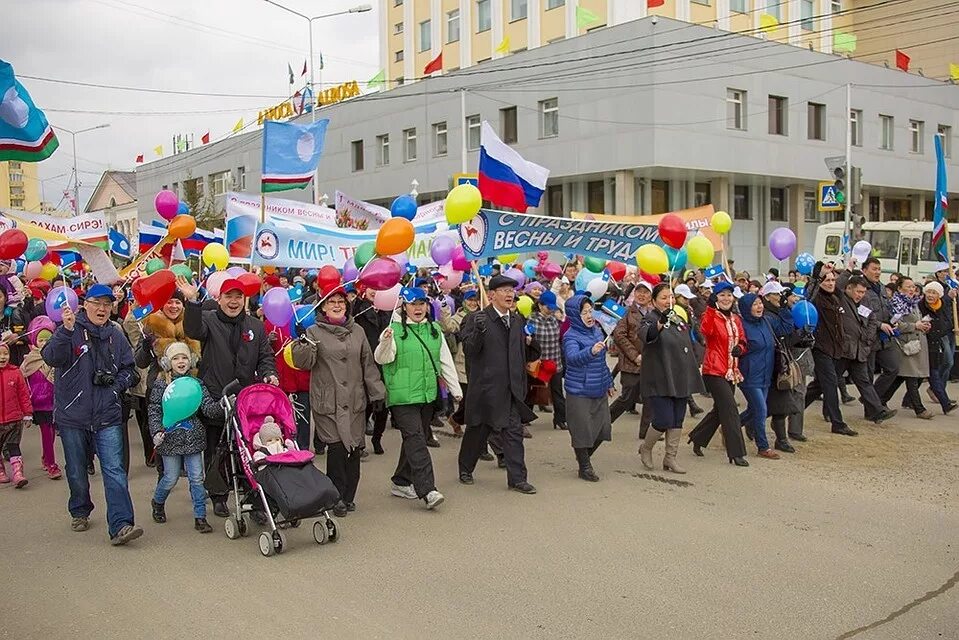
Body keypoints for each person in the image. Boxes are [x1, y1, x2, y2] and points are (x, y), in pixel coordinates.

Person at [41, 284, 142, 545]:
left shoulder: (116, 335)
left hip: (107, 414)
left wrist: (116, 385)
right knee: (76, 470)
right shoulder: (70, 327)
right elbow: (50, 357)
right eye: (97, 303)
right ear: (85, 303)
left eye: (107, 304)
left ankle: (121, 524)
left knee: (114, 470)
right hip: (72, 415)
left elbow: (131, 371)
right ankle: (80, 509)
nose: (102, 309)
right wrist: (65, 330)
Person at [179, 276, 278, 518]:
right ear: (219, 299)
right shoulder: (208, 320)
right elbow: (192, 329)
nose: (233, 302)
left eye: (238, 297)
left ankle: (253, 496)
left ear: (244, 300)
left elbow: (265, 356)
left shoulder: (255, 325)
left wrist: (269, 374)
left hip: (246, 399)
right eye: (228, 296)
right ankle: (219, 496)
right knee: (218, 450)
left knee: (248, 448)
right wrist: (192, 302)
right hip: (216, 396)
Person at [291, 288, 386, 517]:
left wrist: (377, 392)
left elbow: (368, 365)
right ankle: (336, 497)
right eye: (331, 301)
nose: (336, 305)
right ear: (322, 306)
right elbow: (303, 363)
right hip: (328, 402)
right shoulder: (313, 331)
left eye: (340, 302)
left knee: (353, 448)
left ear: (347, 305)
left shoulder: (358, 331)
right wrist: (302, 341)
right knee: (336, 448)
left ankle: (349, 496)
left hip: (354, 400)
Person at [375, 287, 461, 510]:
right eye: (413, 304)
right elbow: (383, 358)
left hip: (426, 394)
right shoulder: (393, 330)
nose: (418, 308)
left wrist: (455, 390)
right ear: (404, 307)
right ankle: (428, 489)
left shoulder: (434, 329)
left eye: (422, 304)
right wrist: (385, 341)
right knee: (415, 439)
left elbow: (444, 361)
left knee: (416, 439)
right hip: (402, 397)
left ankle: (401, 481)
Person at [457, 274, 540, 494]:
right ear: (491, 295)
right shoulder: (477, 319)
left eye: (511, 290)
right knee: (478, 431)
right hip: (486, 388)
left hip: (511, 389)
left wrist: (533, 343)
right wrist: (479, 331)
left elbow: (523, 353)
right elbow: (469, 350)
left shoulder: (517, 320)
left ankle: (518, 478)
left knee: (513, 433)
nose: (509, 294)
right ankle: (465, 467)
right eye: (504, 290)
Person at [148, 342, 222, 534]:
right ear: (167, 362)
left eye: (184, 358)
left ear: (191, 361)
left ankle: (200, 517)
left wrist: (222, 405)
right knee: (170, 477)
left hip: (193, 437)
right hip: (169, 438)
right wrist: (156, 431)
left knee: (197, 478)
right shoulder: (161, 384)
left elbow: (207, 407)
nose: (180, 362)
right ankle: (158, 501)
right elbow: (155, 410)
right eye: (175, 358)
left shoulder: (196, 384)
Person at [806, 273, 895, 431]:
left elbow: (872, 319)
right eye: (858, 291)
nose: (860, 295)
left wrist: (867, 340)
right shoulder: (839, 298)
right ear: (848, 289)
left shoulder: (862, 304)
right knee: (824, 384)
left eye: (863, 292)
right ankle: (801, 408)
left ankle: (877, 411)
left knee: (863, 381)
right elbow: (834, 285)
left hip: (858, 351)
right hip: (841, 351)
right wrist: (847, 270)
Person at [638, 284, 705, 473]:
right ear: (654, 301)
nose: (669, 301)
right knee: (663, 419)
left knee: (677, 419)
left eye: (671, 297)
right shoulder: (649, 318)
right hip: (659, 377)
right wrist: (660, 323)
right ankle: (646, 448)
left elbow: (687, 342)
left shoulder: (677, 317)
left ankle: (670, 458)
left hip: (680, 375)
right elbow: (647, 335)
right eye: (663, 298)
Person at [133, 292, 200, 469]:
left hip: (187, 388)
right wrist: (146, 348)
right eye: (169, 302)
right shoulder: (151, 324)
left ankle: (185, 462)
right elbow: (140, 361)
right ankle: (160, 463)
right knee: (157, 426)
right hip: (159, 386)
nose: (173, 306)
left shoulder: (192, 323)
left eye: (177, 302)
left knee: (186, 426)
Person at [686, 281, 749, 467]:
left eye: (729, 295)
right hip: (714, 370)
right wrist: (712, 308)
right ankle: (736, 453)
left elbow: (743, 339)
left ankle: (697, 437)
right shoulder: (710, 316)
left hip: (731, 370)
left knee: (719, 410)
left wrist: (741, 347)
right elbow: (706, 331)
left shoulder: (736, 319)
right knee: (730, 409)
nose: (726, 298)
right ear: (716, 298)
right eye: (722, 295)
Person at [561, 294, 613, 481]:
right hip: (579, 389)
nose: (589, 315)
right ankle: (585, 466)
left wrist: (609, 381)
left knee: (603, 429)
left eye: (590, 311)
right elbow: (572, 359)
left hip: (598, 386)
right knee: (582, 430)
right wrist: (590, 351)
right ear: (575, 315)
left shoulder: (597, 331)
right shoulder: (570, 336)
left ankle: (583, 457)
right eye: (584, 312)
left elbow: (602, 362)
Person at [736, 292, 790, 460]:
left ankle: (732, 425)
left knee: (754, 410)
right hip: (749, 375)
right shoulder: (741, 325)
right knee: (761, 409)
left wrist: (783, 308)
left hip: (766, 375)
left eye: (760, 303)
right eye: (754, 304)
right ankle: (763, 446)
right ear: (746, 308)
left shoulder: (766, 321)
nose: (759, 307)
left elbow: (786, 328)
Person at [878, 277, 934, 419]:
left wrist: (923, 324)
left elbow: (916, 320)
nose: (911, 289)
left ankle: (879, 399)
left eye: (913, 286)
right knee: (911, 378)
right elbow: (896, 324)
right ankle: (919, 409)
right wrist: (915, 326)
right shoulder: (896, 303)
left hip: (915, 344)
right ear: (899, 288)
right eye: (908, 286)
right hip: (904, 345)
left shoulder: (913, 302)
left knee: (901, 377)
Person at [765, 283, 813, 446]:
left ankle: (786, 436)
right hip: (776, 363)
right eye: (777, 294)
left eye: (784, 295)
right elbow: (783, 335)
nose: (782, 298)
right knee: (772, 402)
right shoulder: (770, 316)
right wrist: (799, 333)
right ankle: (746, 424)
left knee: (786, 399)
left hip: (785, 362)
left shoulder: (783, 312)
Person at [353, 286, 394, 454]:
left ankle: (377, 438)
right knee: (365, 406)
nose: (375, 292)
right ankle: (360, 443)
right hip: (365, 362)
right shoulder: (358, 307)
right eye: (371, 288)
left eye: (378, 288)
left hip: (384, 362)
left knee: (383, 406)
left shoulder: (387, 309)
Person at [855, 258, 900, 405]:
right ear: (865, 270)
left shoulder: (881, 287)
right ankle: (872, 408)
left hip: (884, 338)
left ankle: (870, 399)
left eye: (879, 269)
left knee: (892, 368)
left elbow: (885, 308)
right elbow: (860, 311)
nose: (878, 272)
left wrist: (893, 321)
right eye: (874, 269)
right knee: (867, 375)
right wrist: (879, 324)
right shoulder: (860, 287)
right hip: (868, 337)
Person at [20, 316, 61, 479]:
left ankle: (46, 457)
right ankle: (51, 464)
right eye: (41, 339)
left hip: (55, 401)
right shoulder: (29, 360)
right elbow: (21, 380)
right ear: (35, 340)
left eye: (48, 339)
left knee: (51, 433)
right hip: (38, 403)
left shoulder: (56, 357)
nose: (44, 342)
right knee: (46, 431)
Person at [609, 282, 652, 432]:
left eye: (646, 292)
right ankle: (604, 421)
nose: (642, 295)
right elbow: (619, 335)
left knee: (650, 399)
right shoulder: (627, 312)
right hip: (631, 363)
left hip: (650, 363)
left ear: (650, 296)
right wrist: (635, 356)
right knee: (627, 399)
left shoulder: (653, 313)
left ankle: (645, 431)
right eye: (639, 291)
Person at [526, 290, 567, 430]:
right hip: (538, 363)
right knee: (532, 391)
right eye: (548, 307)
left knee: (557, 392)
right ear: (540, 306)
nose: (550, 310)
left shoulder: (555, 319)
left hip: (554, 362)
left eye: (552, 307)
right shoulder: (531, 320)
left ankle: (560, 419)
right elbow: (526, 338)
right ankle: (525, 417)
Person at [440, 289, 479, 434]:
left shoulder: (484, 314)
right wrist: (444, 309)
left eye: (475, 300)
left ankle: (456, 419)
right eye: (470, 300)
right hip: (462, 364)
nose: (473, 303)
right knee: (467, 400)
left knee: (474, 400)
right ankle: (461, 422)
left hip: (479, 363)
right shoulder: (459, 317)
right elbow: (448, 326)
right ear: (464, 301)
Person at [920, 281, 957, 414]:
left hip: (935, 343)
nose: (930, 295)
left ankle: (906, 400)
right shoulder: (921, 305)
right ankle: (945, 404)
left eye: (934, 293)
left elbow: (947, 321)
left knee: (923, 375)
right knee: (933, 374)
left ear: (939, 295)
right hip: (924, 343)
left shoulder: (942, 305)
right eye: (929, 292)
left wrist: (944, 329)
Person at [0, 343, 32, 488]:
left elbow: (23, 394)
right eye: (0, 354)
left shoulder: (15, 372)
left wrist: (27, 413)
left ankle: (18, 473)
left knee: (14, 446)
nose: (2, 357)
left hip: (14, 419)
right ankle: (1, 472)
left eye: (5, 354)